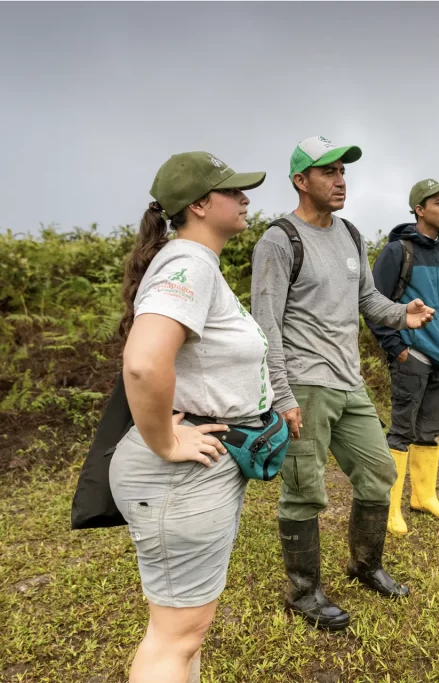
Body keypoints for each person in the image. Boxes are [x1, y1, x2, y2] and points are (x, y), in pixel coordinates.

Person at [250, 136, 435, 631]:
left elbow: (367, 299)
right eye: (328, 171)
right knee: (303, 490)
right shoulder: (279, 241)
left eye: (343, 171)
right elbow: (265, 326)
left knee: (378, 471)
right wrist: (281, 395)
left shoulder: (350, 234)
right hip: (303, 385)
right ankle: (303, 591)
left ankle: (365, 566)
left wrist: (402, 313)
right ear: (301, 180)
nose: (340, 180)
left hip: (349, 382)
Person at [109, 151, 271, 683]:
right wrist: (166, 442)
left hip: (193, 474)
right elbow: (142, 362)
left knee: (183, 634)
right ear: (199, 205)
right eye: (233, 191)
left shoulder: (195, 263)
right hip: (178, 475)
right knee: (175, 639)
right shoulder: (189, 263)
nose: (245, 199)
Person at [367, 179, 439, 536]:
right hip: (414, 356)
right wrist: (398, 349)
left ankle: (424, 498)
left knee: (430, 430)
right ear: (419, 210)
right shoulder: (399, 252)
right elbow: (373, 304)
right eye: (438, 202)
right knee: (401, 431)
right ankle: (390, 508)